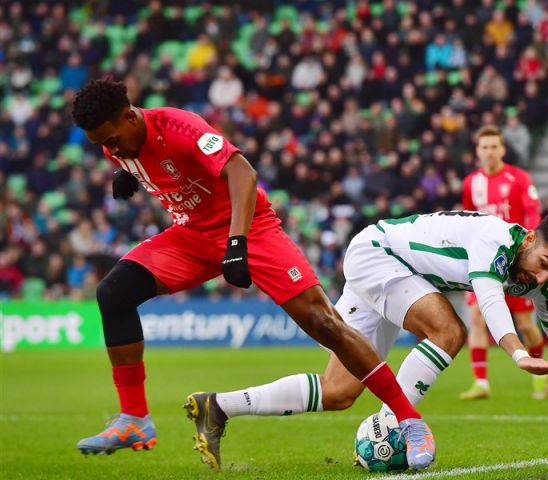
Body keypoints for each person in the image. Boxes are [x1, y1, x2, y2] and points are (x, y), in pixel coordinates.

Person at [70, 79, 436, 471]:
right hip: (191, 235)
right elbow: (145, 159)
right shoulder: (120, 145)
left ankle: (410, 420)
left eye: (111, 139)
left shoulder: (179, 127)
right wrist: (129, 169)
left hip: (250, 230)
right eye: (100, 145)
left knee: (323, 322)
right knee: (113, 293)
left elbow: (242, 173)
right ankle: (134, 420)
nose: (110, 149)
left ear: (129, 116)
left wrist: (236, 242)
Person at [186, 212, 548, 468]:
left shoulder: (538, 282)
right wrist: (518, 353)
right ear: (530, 237)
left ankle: (219, 406)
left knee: (340, 392)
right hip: (377, 255)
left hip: (398, 274)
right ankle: (401, 424)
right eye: (543, 261)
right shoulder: (494, 240)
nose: (541, 275)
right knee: (450, 331)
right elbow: (488, 299)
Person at [460, 125, 548, 400]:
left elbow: (534, 213)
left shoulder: (518, 178)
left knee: (524, 322)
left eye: (493, 146)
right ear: (477, 151)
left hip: (516, 262)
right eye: (483, 147)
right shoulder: (470, 183)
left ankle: (539, 378)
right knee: (476, 318)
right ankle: (481, 383)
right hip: (484, 262)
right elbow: (466, 221)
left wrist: (529, 253)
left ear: (502, 149)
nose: (489, 152)